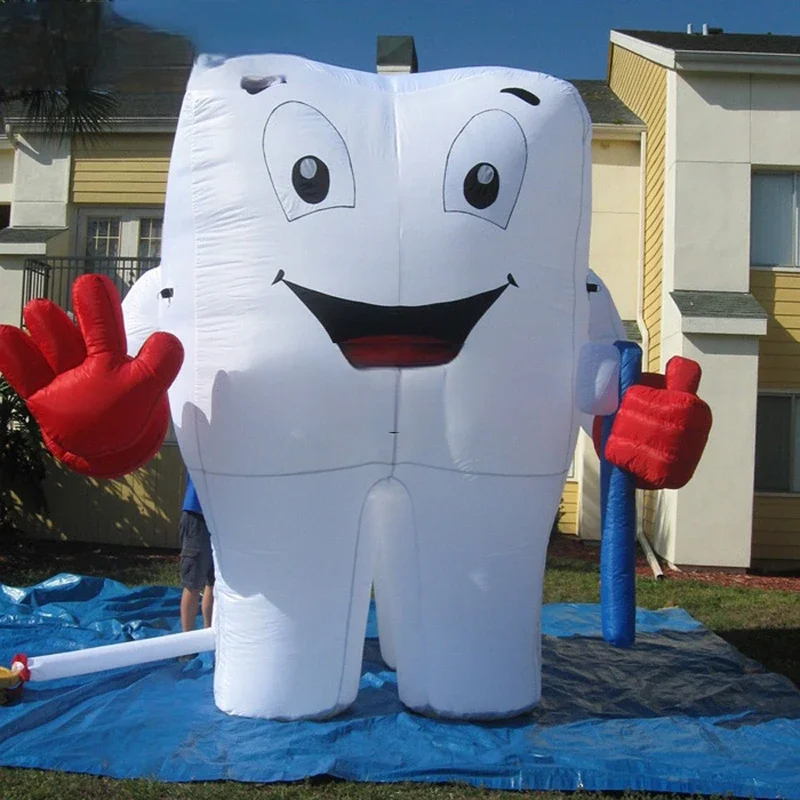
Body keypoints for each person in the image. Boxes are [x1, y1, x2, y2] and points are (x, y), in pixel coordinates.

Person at [179, 473, 215, 632]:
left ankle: (209, 633)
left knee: (214, 582)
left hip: (219, 517)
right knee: (193, 583)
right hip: (198, 515)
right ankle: (187, 640)